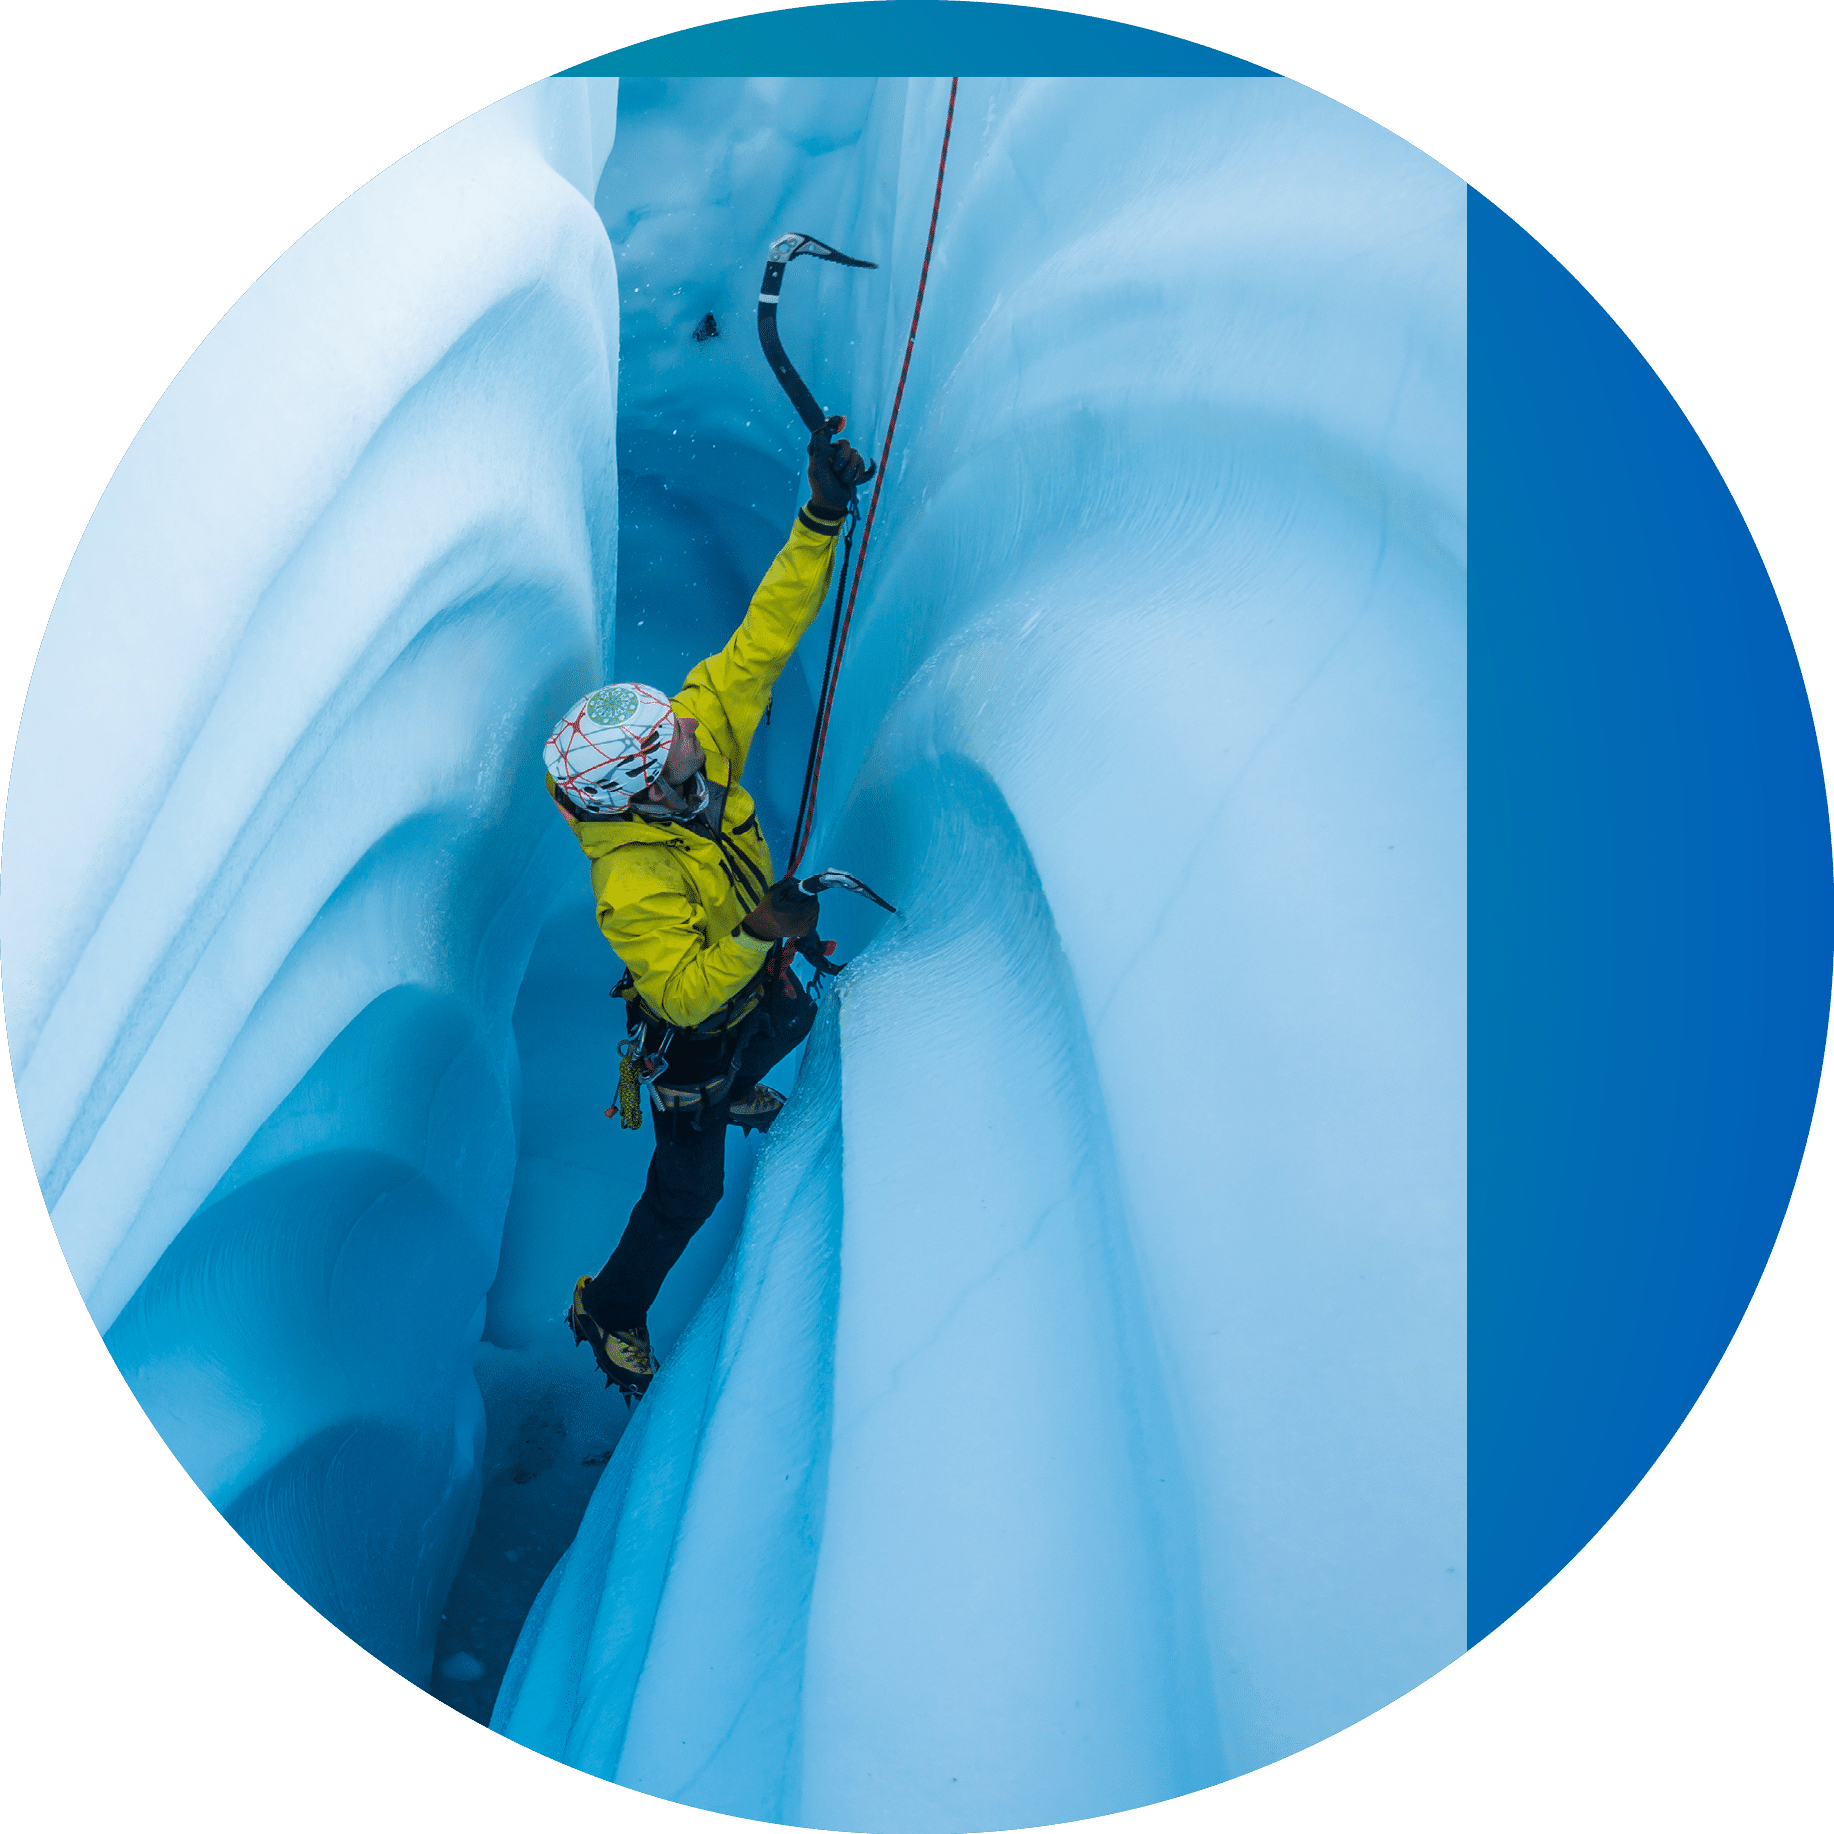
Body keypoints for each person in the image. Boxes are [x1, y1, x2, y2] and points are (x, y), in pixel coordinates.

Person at [542, 422, 869, 1404]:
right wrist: (759, 932)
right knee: (690, 1190)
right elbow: (682, 993)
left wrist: (819, 516)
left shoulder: (690, 742)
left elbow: (763, 637)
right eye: (674, 738)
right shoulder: (630, 884)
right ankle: (611, 1308)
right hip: (690, 1036)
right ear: (643, 788)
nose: (693, 725)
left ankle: (737, 1084)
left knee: (791, 1015)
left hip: (754, 977)